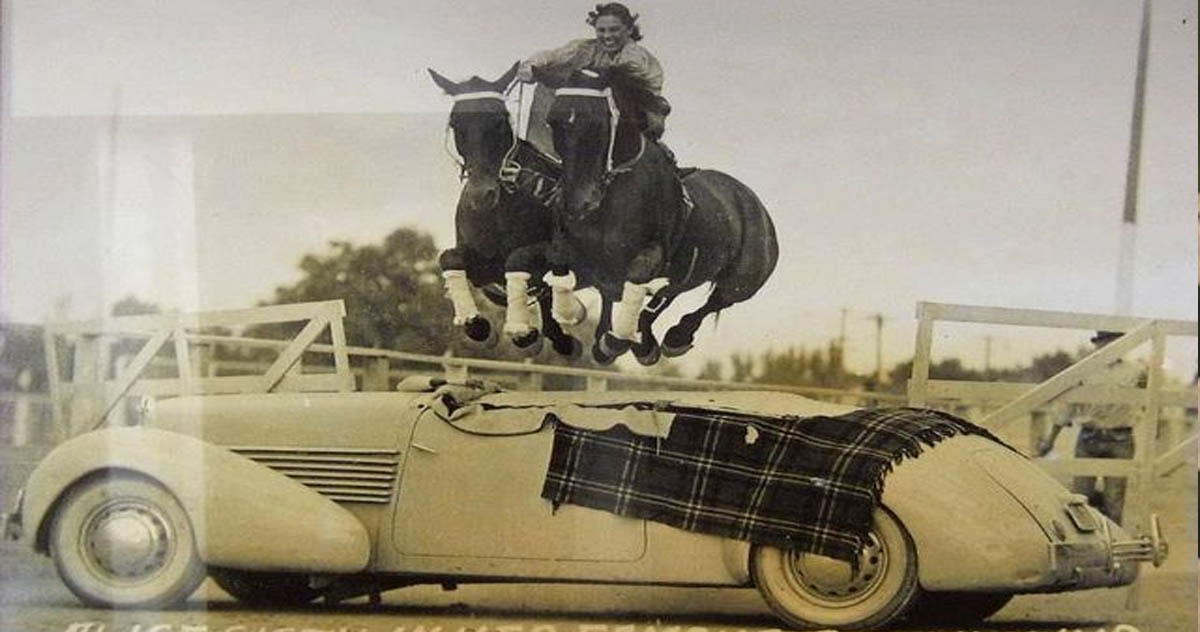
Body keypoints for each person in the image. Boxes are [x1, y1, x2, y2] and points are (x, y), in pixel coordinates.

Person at [517, 3, 671, 141]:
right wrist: (530, 67)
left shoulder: (637, 57)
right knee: (547, 88)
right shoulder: (584, 48)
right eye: (601, 30)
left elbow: (625, 87)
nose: (607, 36)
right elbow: (552, 56)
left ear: (629, 30)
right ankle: (545, 152)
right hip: (589, 113)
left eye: (614, 30)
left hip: (635, 115)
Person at [1036, 330, 1144, 525]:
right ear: (1097, 344)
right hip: (1089, 439)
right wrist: (1050, 441)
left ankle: (1113, 548)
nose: (1109, 347)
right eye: (1104, 342)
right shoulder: (1085, 370)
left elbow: (1147, 402)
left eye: (1115, 342)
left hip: (1120, 440)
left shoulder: (1137, 371)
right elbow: (1065, 407)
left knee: (1114, 502)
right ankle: (1084, 548)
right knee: (1079, 500)